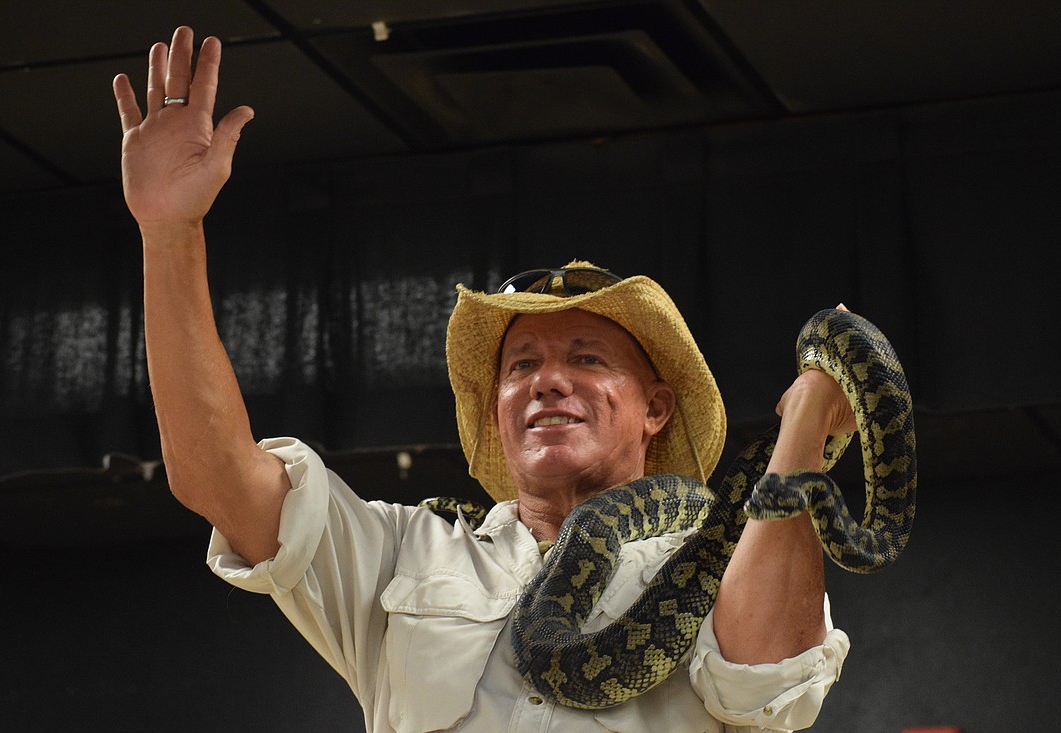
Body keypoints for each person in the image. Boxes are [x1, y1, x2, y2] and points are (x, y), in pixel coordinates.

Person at [114, 26, 852, 732]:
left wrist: (807, 421)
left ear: (656, 407)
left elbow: (762, 674)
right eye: (521, 364)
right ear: (495, 409)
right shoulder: (405, 552)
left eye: (588, 358)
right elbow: (215, 475)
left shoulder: (731, 553)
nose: (547, 381)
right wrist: (169, 233)